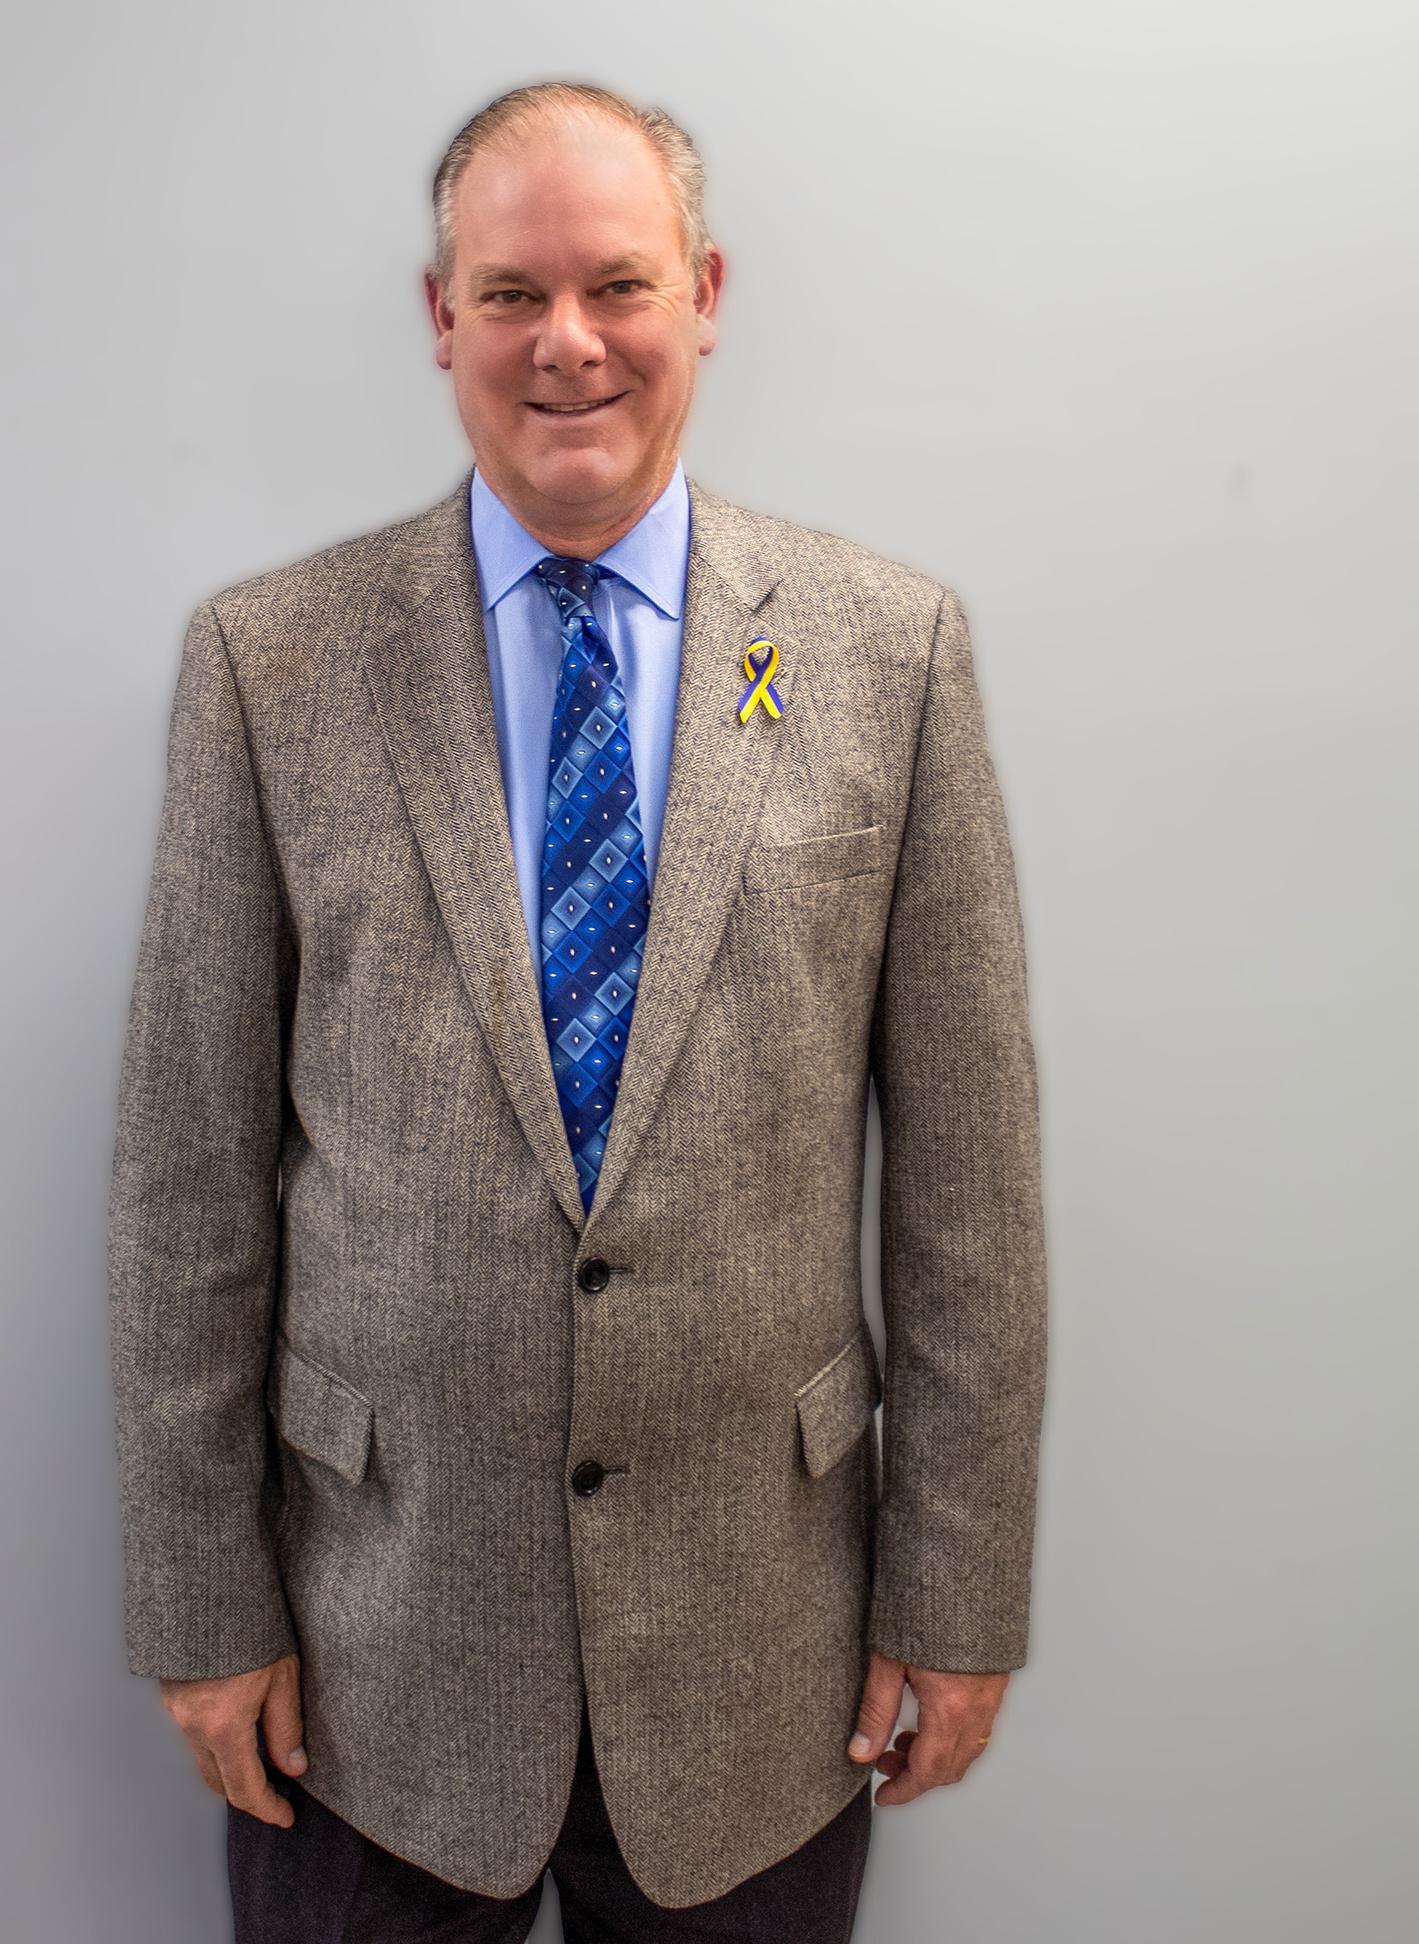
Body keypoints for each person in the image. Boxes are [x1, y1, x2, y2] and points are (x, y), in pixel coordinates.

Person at [107, 79, 1048, 1942]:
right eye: (513, 292)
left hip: (761, 1661)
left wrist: (957, 1598)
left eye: (617, 284)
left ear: (705, 293)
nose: (569, 342)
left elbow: (972, 1189)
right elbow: (186, 1185)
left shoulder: (890, 655)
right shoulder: (272, 666)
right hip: (369, 1667)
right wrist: (201, 1606)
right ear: (439, 314)